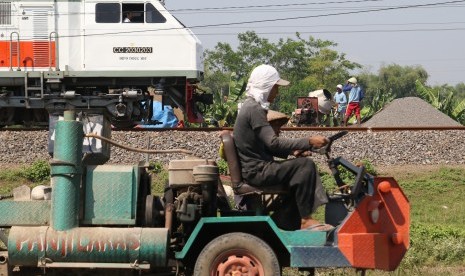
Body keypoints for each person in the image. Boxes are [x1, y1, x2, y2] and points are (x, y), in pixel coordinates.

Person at [233, 64, 333, 231]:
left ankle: (284, 219)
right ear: (266, 86)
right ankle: (305, 219)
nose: (277, 92)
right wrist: (308, 141)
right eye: (275, 87)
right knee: (305, 165)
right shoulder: (254, 109)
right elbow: (273, 142)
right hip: (257, 171)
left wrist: (293, 150)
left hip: (256, 168)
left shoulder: (251, 107)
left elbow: (266, 145)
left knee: (299, 169)